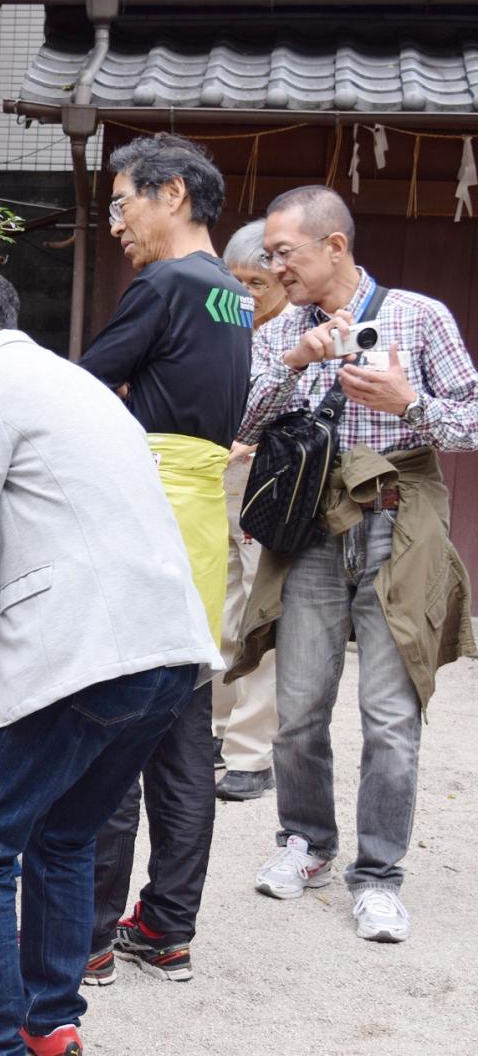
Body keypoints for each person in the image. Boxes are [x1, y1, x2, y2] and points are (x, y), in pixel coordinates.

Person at [0, 269, 218, 1056]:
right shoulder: (78, 384)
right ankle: (50, 1022)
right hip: (167, 645)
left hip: (84, 648)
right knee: (65, 833)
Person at [232, 185, 477, 942]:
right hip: (310, 528)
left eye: (283, 253)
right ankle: (306, 842)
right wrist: (294, 363)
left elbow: (471, 418)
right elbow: (242, 421)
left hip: (399, 525)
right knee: (298, 706)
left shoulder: (418, 316)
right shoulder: (281, 327)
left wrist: (410, 404)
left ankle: (377, 876)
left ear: (333, 245)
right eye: (268, 255)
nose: (274, 266)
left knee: (390, 716)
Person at [76, 132, 250, 985]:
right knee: (183, 732)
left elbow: (82, 387)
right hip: (203, 520)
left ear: (170, 193)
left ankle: (88, 937)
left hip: (147, 513)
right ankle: (168, 928)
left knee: (113, 725)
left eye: (122, 204)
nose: (117, 225)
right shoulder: (234, 295)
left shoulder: (165, 282)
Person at [212, 220, 288, 802]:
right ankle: (216, 730)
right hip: (219, 482)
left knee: (259, 618)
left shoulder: (300, 333)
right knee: (218, 611)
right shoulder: (226, 325)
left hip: (271, 486)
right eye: (237, 282)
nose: (247, 294)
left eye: (258, 282)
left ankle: (251, 753)